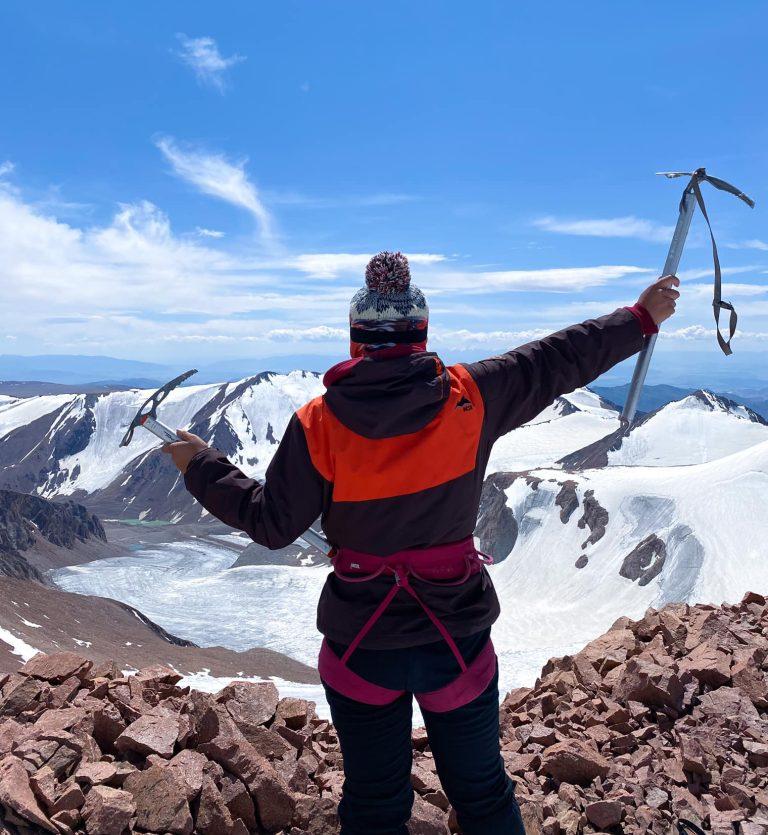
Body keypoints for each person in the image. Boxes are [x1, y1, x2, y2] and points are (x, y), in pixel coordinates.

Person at [163, 252, 679, 835]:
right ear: (421, 330)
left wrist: (200, 464)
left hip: (362, 640)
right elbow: (556, 359)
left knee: (376, 803)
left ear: (356, 337)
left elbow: (273, 523)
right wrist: (639, 318)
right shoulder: (470, 397)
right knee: (482, 793)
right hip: (455, 634)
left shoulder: (319, 424)